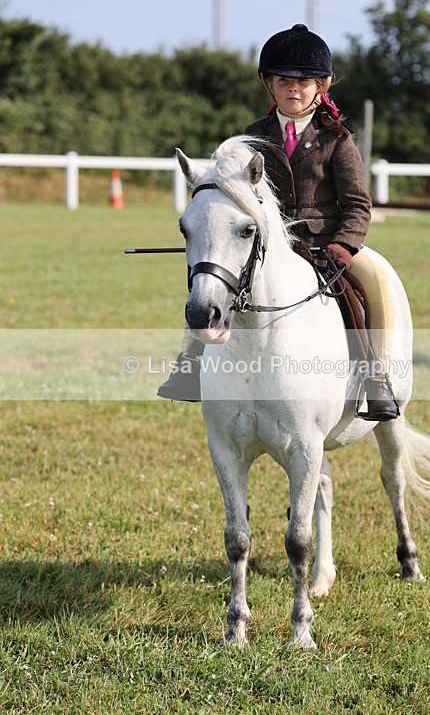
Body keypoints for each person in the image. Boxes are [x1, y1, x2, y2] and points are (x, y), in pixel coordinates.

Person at [158, 23, 398, 421]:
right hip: (264, 245)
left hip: (326, 244)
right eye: (284, 80)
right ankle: (190, 365)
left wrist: (345, 244)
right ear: (269, 85)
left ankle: (376, 377)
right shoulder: (252, 136)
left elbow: (357, 203)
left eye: (304, 82)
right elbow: (231, 194)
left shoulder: (336, 138)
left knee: (377, 284)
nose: (293, 89)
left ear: (321, 87)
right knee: (210, 283)